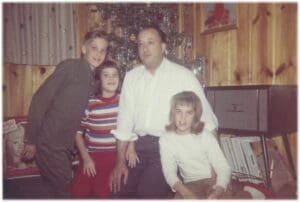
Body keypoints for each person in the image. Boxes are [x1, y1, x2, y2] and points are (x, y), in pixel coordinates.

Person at [109, 24, 218, 199]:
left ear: (163, 47)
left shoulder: (183, 76)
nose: (144, 48)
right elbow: (124, 122)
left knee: (147, 194)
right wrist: (119, 162)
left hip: (166, 148)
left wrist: (215, 170)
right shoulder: (132, 77)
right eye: (140, 44)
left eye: (150, 42)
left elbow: (208, 122)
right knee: (119, 194)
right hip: (135, 149)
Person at [22, 30, 109, 198]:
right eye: (94, 48)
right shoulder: (71, 67)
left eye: (103, 50)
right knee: (64, 190)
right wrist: (31, 140)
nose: (98, 54)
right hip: (50, 143)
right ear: (84, 49)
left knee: (56, 190)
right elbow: (40, 100)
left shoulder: (93, 79)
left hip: (65, 147)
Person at [159, 91, 231, 199]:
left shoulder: (205, 135)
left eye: (189, 113)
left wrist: (218, 190)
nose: (183, 118)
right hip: (190, 184)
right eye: (179, 111)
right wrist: (186, 193)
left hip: (214, 181)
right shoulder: (166, 139)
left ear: (195, 116)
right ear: (172, 113)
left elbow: (222, 166)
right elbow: (169, 173)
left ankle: (246, 193)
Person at [71, 60, 123, 198]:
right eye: (106, 75)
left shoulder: (124, 102)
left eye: (114, 75)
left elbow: (131, 130)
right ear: (99, 80)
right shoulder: (91, 103)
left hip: (113, 157)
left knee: (103, 194)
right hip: (91, 156)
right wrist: (85, 157)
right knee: (78, 193)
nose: (111, 78)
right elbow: (77, 133)